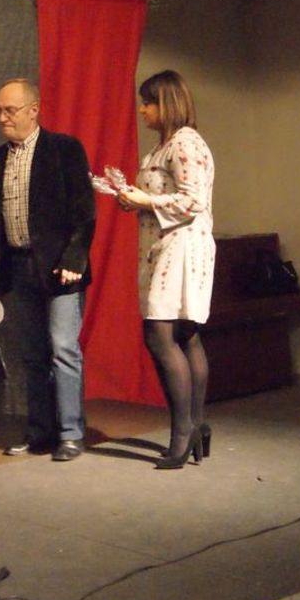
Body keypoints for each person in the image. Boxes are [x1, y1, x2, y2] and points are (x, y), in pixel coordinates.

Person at [0, 79, 95, 462]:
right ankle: (40, 431)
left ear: (33, 110)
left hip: (59, 269)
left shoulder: (64, 149)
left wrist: (74, 260)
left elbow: (84, 211)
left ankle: (70, 433)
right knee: (32, 354)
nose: (2, 118)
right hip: (19, 266)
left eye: (10, 110)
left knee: (63, 348)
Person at [117, 70, 216, 470]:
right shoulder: (163, 146)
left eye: (148, 103)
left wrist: (143, 200)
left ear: (167, 104)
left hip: (182, 247)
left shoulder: (185, 144)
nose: (142, 110)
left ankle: (183, 430)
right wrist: (132, 198)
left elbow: (192, 201)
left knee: (161, 335)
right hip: (162, 246)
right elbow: (159, 196)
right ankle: (195, 426)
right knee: (185, 335)